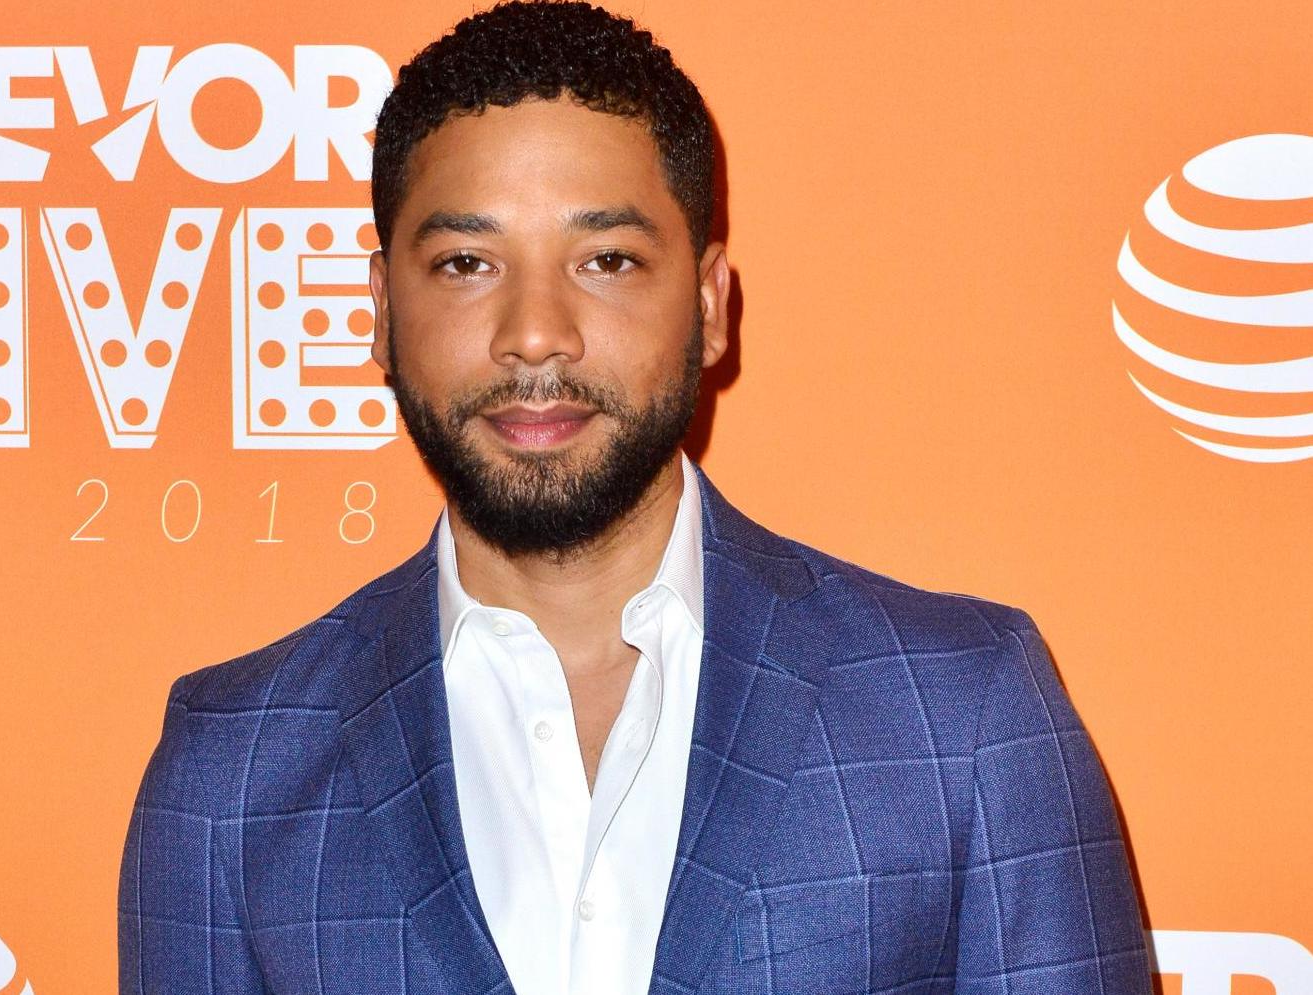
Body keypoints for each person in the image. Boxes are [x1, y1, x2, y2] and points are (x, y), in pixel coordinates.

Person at [117, 2, 1152, 993]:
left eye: (606, 259)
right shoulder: (233, 775)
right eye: (467, 261)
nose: (535, 331)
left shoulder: (958, 716)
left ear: (706, 305)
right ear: (382, 311)